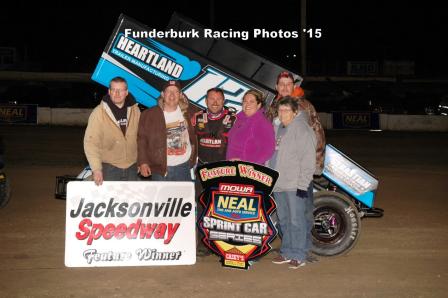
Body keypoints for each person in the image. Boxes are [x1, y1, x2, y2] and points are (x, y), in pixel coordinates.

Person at [269, 96, 316, 269]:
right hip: (279, 184)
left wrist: (303, 185)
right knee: (284, 220)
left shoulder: (302, 129)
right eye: (280, 110)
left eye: (286, 110)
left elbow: (308, 160)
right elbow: (271, 155)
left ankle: (299, 254)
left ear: (295, 112)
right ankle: (287, 251)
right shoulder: (277, 128)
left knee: (297, 221)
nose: (282, 113)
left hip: (295, 184)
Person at [191, 87, 237, 256]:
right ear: (206, 100)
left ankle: (223, 243)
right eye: (212, 99)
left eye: (219, 99)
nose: (215, 102)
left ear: (224, 101)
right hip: (202, 169)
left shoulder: (233, 119)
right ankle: (204, 243)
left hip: (223, 169)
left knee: (222, 207)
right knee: (203, 207)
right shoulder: (196, 118)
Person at [266, 71, 326, 175]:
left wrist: (317, 164)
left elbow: (318, 134)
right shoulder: (273, 106)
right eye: (282, 84)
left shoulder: (303, 106)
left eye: (288, 84)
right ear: (276, 87)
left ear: (294, 86)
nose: (285, 87)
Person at [84, 77, 140, 186]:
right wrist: (96, 169)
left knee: (130, 201)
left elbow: (141, 137)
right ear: (109, 92)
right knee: (110, 201)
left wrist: (141, 161)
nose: (117, 93)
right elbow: (91, 143)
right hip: (109, 168)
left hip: (132, 167)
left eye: (121, 90)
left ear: (126, 92)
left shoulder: (135, 110)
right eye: (114, 90)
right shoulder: (99, 113)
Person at [137, 80, 197, 181]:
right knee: (161, 197)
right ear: (163, 94)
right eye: (169, 91)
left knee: (183, 197)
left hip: (183, 167)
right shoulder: (149, 114)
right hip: (159, 169)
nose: (172, 95)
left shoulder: (189, 112)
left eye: (176, 91)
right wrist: (143, 162)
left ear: (181, 94)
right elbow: (141, 140)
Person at [226, 89, 275, 164]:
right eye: (245, 101)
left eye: (251, 102)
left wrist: (247, 163)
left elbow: (268, 150)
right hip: (231, 168)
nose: (247, 104)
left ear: (258, 105)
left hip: (246, 171)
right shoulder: (238, 119)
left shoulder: (262, 123)